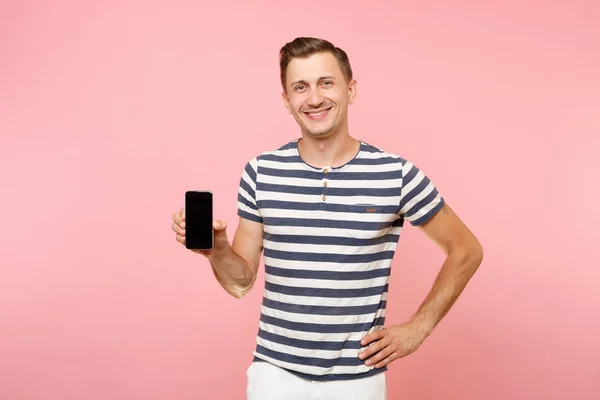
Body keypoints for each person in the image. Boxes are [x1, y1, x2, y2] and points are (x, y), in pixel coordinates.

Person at [171, 37, 483, 400]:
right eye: (300, 87)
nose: (314, 98)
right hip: (275, 375)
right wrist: (218, 251)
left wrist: (419, 328)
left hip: (357, 379)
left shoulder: (395, 174)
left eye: (326, 83)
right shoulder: (261, 172)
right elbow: (241, 282)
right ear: (287, 101)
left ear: (350, 90)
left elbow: (467, 249)